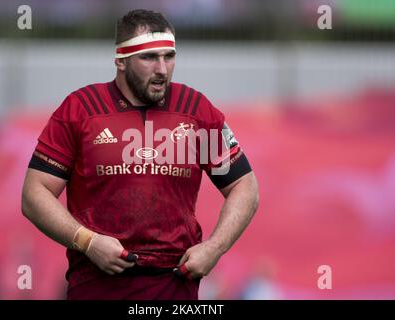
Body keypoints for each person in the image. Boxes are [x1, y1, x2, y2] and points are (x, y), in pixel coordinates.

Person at [21, 9, 259, 300]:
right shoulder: (80, 109)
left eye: (168, 56)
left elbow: (244, 186)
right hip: (97, 284)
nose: (162, 69)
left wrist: (215, 247)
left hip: (174, 286)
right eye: (149, 57)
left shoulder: (196, 110)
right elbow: (34, 193)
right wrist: (88, 241)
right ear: (121, 61)